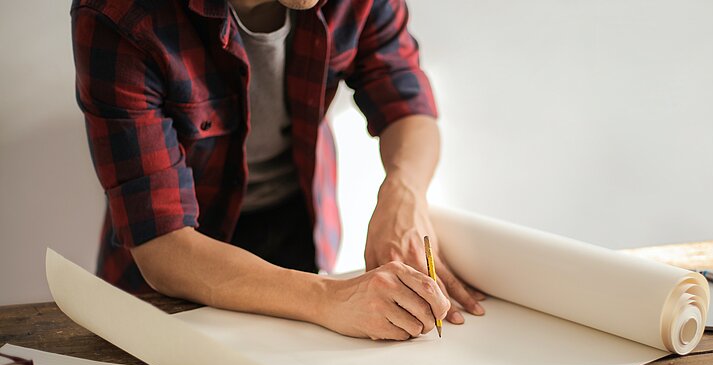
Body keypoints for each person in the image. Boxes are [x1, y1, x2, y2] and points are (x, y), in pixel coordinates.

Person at [70, 0, 484, 340]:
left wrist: (403, 192)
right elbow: (162, 246)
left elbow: (407, 103)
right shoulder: (118, 13)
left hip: (296, 222)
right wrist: (331, 298)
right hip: (177, 266)